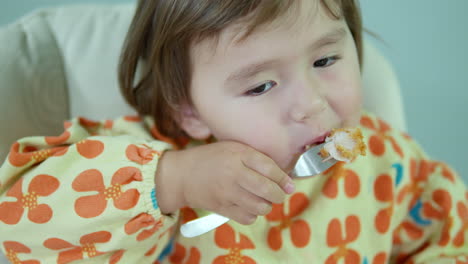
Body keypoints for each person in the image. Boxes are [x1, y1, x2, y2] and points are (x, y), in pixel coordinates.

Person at [0, 0, 466, 263]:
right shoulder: (142, 159)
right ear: (190, 111)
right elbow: (16, 220)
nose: (312, 104)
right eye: (261, 85)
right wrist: (172, 182)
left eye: (325, 61)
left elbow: (447, 238)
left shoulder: (390, 163)